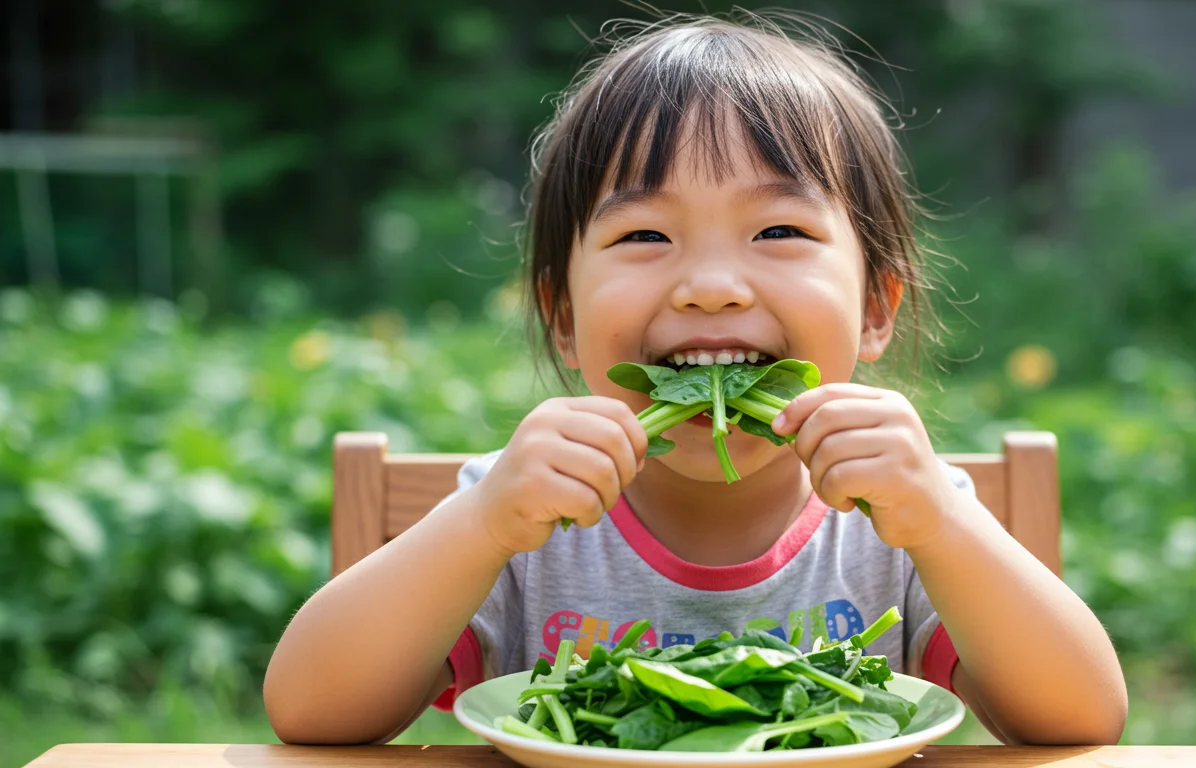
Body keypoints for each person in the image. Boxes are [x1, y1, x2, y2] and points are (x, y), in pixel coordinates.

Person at [264, 13, 1127, 747]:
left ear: (876, 304)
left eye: (779, 230)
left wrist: (942, 525)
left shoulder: (901, 518)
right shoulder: (522, 516)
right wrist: (481, 523)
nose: (711, 284)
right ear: (563, 316)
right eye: (645, 237)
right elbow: (309, 711)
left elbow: (1081, 720)